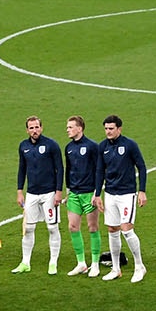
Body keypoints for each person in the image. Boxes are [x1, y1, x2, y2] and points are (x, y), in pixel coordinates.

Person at [93, 114, 148, 283]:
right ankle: (116, 268)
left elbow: (142, 166)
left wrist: (142, 191)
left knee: (126, 229)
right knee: (112, 230)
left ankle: (140, 266)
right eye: (106, 129)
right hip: (110, 194)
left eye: (111, 128)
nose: (108, 132)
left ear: (119, 129)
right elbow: (100, 171)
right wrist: (97, 194)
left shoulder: (129, 145)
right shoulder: (102, 146)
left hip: (127, 194)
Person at [13, 115, 63, 275]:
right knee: (28, 228)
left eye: (37, 127)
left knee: (52, 227)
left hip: (49, 193)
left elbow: (60, 169)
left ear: (41, 128)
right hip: (32, 194)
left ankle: (53, 262)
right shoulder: (23, 146)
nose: (34, 130)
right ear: (27, 130)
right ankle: (25, 262)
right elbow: (22, 169)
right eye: (31, 128)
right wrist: (20, 191)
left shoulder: (51, 145)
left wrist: (58, 192)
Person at [62, 115, 103, 277]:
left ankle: (95, 263)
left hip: (89, 193)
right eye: (67, 127)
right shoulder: (68, 148)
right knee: (72, 227)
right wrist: (67, 190)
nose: (68, 130)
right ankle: (81, 263)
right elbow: (68, 169)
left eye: (70, 127)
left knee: (92, 227)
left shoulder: (93, 146)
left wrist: (97, 193)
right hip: (74, 193)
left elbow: (100, 170)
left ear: (80, 128)